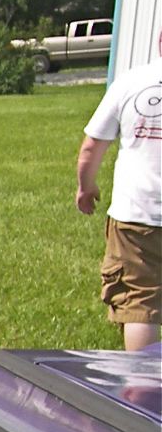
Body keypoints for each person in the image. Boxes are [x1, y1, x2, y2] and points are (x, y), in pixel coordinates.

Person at [75, 39, 162, 351]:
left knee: (139, 304)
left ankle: (140, 380)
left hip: (137, 216)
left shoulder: (129, 83)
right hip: (137, 214)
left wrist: (86, 186)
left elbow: (91, 147)